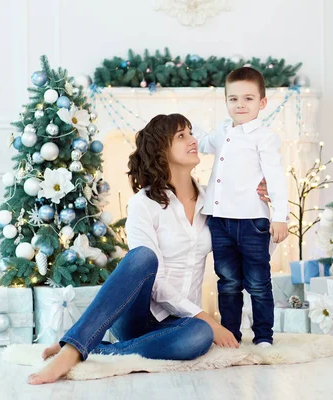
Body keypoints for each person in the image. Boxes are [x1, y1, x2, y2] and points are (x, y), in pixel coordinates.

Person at [27, 113, 270, 385]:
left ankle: (99, 349)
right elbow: (155, 283)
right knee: (143, 257)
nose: (194, 140)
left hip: (177, 324)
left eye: (191, 133)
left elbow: (251, 251)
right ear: (161, 150)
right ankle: (72, 349)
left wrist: (259, 207)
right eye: (182, 136)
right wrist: (207, 317)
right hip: (137, 315)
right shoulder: (144, 203)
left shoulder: (213, 201)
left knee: (200, 335)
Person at [194, 67, 289, 347]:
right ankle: (231, 335)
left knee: (258, 284)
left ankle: (263, 337)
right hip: (220, 220)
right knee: (228, 282)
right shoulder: (223, 130)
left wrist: (280, 216)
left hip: (252, 221)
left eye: (248, 99)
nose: (240, 105)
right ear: (226, 102)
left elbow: (275, 177)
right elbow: (203, 144)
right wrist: (182, 129)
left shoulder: (264, 136)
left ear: (262, 103)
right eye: (233, 99)